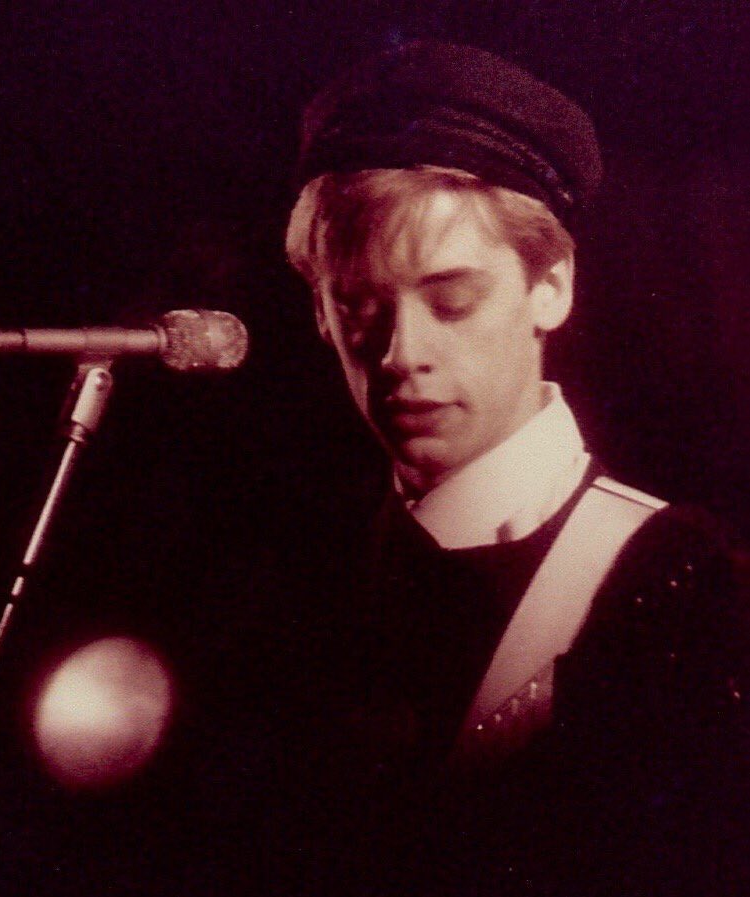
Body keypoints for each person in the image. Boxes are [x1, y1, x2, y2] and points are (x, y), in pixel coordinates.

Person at [274, 41, 750, 897]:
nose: (400, 354)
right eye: (358, 306)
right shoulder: (287, 580)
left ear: (552, 285)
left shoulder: (692, 584)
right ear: (318, 311)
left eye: (451, 300)